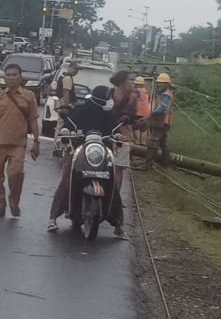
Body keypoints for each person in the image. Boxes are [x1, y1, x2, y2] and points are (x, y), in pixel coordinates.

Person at [47, 85, 124, 236]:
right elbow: (69, 124)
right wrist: (66, 131)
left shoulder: (109, 114)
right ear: (101, 97)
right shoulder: (82, 110)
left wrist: (119, 136)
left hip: (102, 152)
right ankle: (52, 218)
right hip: (80, 150)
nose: (109, 100)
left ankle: (119, 225)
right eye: (107, 96)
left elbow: (116, 130)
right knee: (68, 180)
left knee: (111, 183)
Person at [0, 63, 40, 218]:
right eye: (8, 75)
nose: (11, 78)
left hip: (18, 143)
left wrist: (36, 142)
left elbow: (33, 120)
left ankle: (14, 201)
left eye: (14, 75)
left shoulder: (29, 97)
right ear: (4, 78)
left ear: (20, 77)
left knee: (16, 173)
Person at [108, 71, 137, 238]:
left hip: (123, 136)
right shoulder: (112, 94)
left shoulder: (130, 96)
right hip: (111, 134)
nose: (132, 83)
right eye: (129, 81)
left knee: (119, 168)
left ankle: (115, 196)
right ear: (122, 82)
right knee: (114, 166)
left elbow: (132, 116)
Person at [138, 73, 174, 169]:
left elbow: (162, 108)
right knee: (163, 144)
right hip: (163, 122)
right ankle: (165, 163)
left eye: (161, 83)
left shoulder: (166, 95)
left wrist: (151, 114)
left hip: (162, 122)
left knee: (152, 143)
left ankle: (147, 164)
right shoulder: (165, 93)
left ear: (166, 84)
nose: (159, 85)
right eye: (158, 83)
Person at [133, 76, 152, 145]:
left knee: (136, 133)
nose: (134, 85)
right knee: (143, 132)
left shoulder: (136, 91)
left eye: (136, 84)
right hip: (146, 115)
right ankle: (142, 148)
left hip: (138, 114)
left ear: (139, 84)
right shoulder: (146, 92)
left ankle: (136, 148)